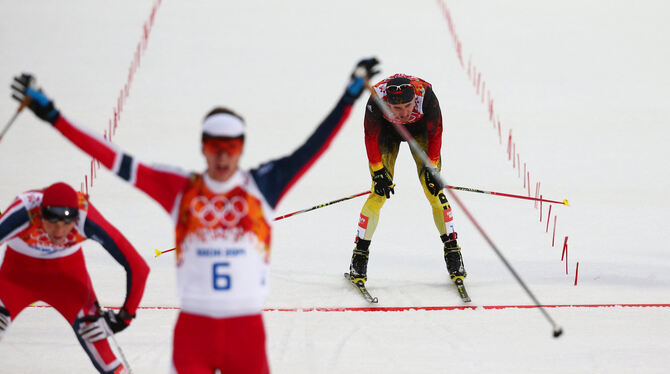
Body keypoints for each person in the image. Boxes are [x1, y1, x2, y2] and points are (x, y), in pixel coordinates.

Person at [10, 58, 379, 373]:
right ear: (204, 148)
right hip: (194, 331)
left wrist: (348, 99)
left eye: (231, 149)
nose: (223, 157)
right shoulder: (178, 189)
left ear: (241, 149)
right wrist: (54, 117)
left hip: (245, 331)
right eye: (216, 148)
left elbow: (314, 146)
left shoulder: (263, 185)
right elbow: (113, 159)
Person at [0, 181, 150, 374]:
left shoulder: (86, 218)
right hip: (16, 276)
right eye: (52, 224)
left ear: (75, 219)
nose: (59, 232)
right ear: (40, 214)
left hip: (66, 277)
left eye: (66, 225)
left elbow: (139, 267)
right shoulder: (24, 211)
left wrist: (123, 318)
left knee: (99, 346)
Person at [349, 73, 467, 286]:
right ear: (387, 103)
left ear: (415, 99)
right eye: (397, 109)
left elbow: (437, 132)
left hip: (421, 132)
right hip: (387, 133)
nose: (404, 113)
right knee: (378, 193)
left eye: (408, 106)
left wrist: (432, 168)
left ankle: (452, 252)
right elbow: (370, 136)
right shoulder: (377, 98)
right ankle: (359, 256)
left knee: (433, 191)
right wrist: (378, 171)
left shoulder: (426, 95)